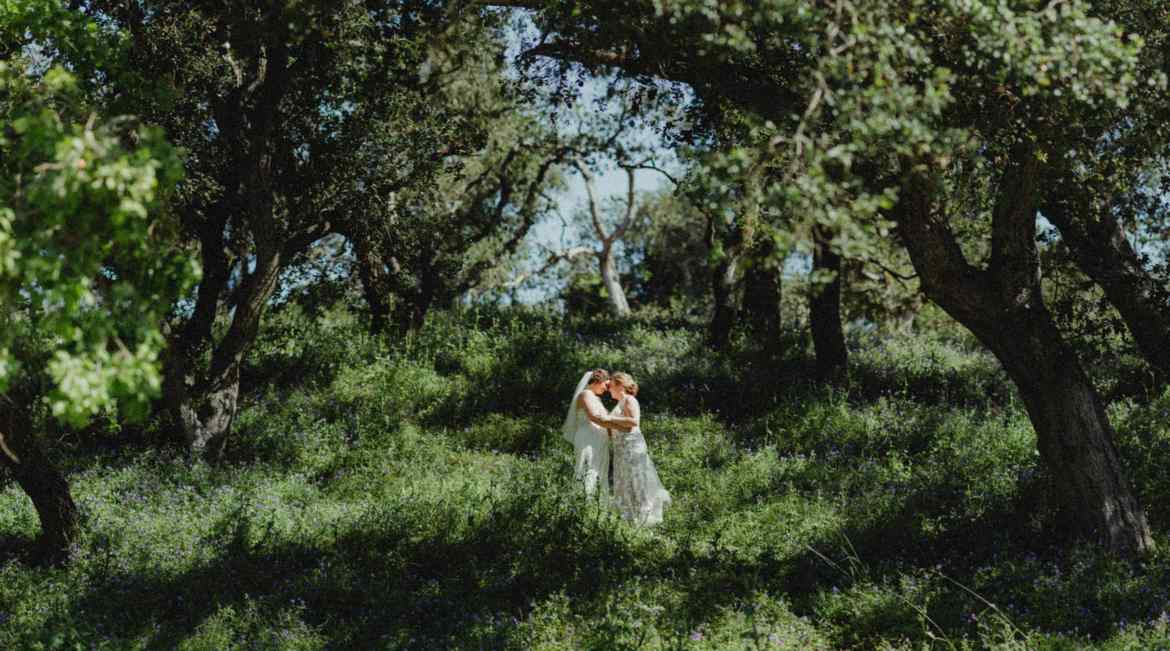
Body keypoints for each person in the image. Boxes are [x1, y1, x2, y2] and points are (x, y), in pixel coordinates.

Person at [608, 372, 671, 526]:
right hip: (621, 449)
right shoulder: (619, 404)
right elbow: (615, 427)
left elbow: (633, 421)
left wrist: (608, 419)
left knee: (637, 480)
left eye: (611, 386)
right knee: (626, 482)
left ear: (619, 385)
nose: (609, 389)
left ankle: (645, 517)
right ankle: (631, 518)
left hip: (631, 447)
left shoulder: (630, 400)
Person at [562, 369, 637, 498]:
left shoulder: (595, 398)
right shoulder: (585, 395)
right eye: (606, 385)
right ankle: (583, 502)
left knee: (599, 471)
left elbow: (605, 419)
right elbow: (595, 418)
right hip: (588, 438)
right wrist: (622, 428)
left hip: (599, 440)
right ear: (597, 381)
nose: (607, 389)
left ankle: (599, 505)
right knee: (587, 468)